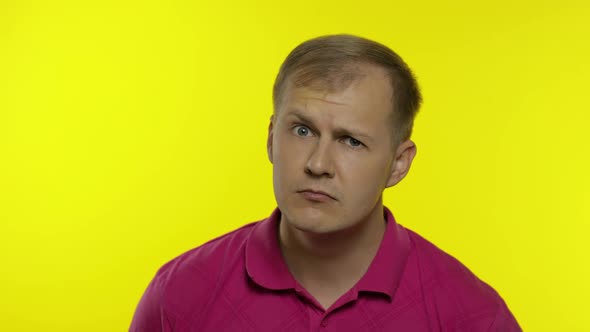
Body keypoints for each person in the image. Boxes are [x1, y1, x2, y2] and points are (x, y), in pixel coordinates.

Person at [129, 34, 521, 331]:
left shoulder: (472, 315)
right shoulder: (180, 293)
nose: (318, 164)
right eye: (302, 131)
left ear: (399, 164)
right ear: (270, 138)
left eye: (351, 141)